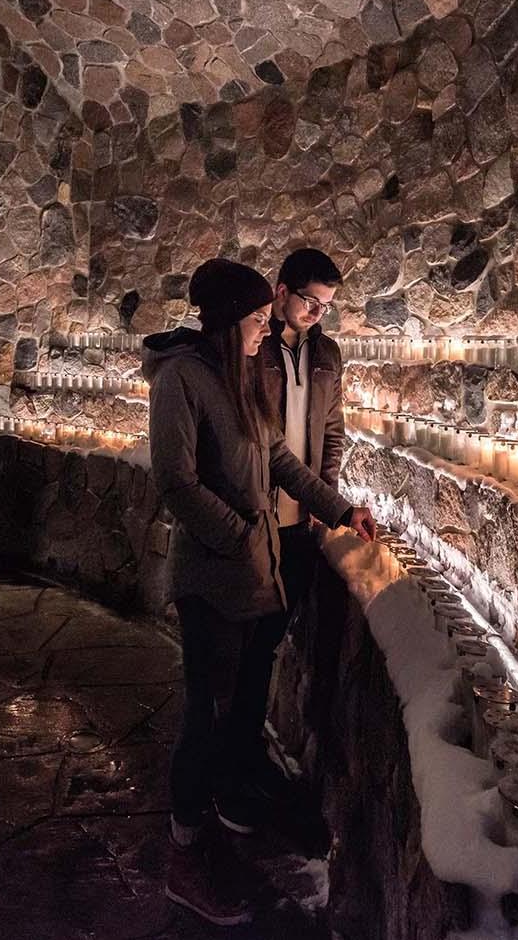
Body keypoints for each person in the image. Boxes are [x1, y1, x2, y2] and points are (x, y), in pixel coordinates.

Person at [143, 257, 376, 925]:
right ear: (227, 322)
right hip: (213, 578)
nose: (261, 330)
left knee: (232, 710)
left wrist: (338, 509)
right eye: (253, 320)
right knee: (203, 718)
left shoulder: (241, 374)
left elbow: (276, 458)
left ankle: (215, 831)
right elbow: (176, 482)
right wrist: (242, 534)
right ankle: (186, 862)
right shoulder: (181, 378)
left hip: (253, 574)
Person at [212, 248, 344, 830]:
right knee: (239, 654)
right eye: (311, 301)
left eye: (326, 306)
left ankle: (244, 755)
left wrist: (328, 499)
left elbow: (332, 433)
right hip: (256, 522)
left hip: (299, 525)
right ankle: (228, 771)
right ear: (283, 290)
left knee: (264, 648)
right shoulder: (252, 347)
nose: (317, 313)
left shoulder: (328, 355)